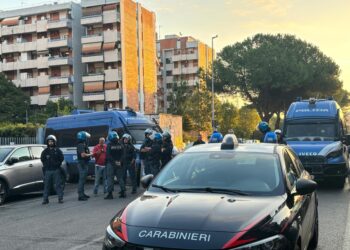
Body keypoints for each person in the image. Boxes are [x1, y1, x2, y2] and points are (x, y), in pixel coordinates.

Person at [41, 135, 64, 204]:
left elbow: (61, 158)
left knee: (58, 185)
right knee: (46, 185)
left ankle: (60, 198)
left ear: (54, 142)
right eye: (49, 141)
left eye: (52, 141)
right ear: (47, 142)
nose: (50, 143)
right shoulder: (45, 151)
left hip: (56, 170)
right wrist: (46, 165)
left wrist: (57, 164)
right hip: (48, 170)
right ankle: (45, 199)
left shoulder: (58, 150)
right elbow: (42, 159)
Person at [105, 131, 124, 199]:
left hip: (111, 164)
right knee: (120, 178)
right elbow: (123, 155)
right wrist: (119, 162)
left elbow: (108, 156)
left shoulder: (109, 145)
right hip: (119, 164)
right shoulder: (121, 145)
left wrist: (114, 162)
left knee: (110, 179)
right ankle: (123, 192)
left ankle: (110, 194)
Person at [76, 131, 93, 201]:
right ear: (84, 138)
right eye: (86, 138)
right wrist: (92, 154)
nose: (87, 139)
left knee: (83, 180)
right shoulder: (80, 145)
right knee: (81, 180)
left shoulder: (83, 144)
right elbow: (83, 155)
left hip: (84, 163)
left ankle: (83, 193)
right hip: (82, 163)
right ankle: (80, 195)